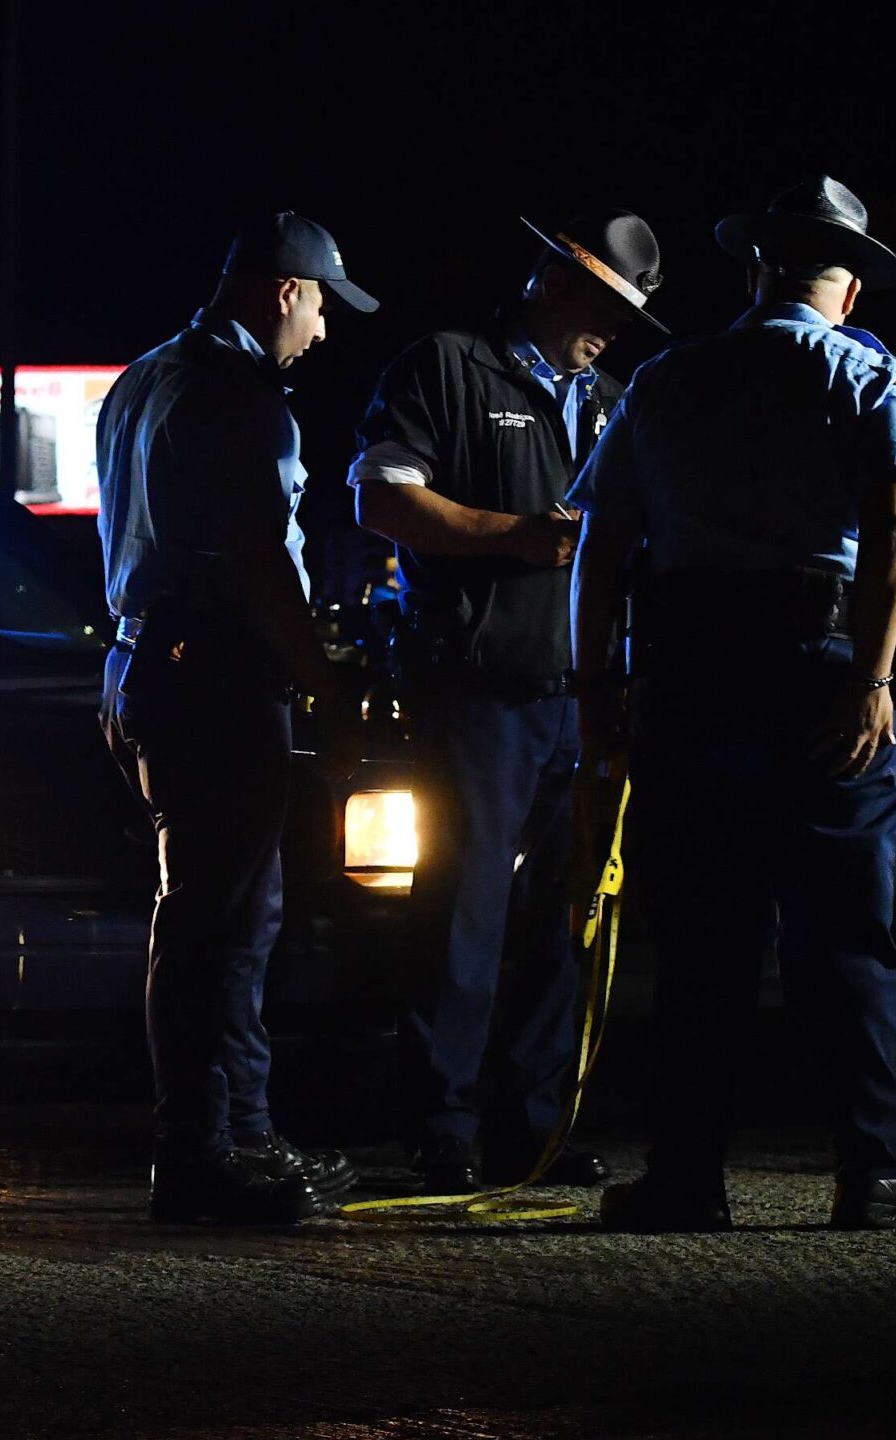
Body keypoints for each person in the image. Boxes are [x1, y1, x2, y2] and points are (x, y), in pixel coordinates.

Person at [567, 176, 896, 1232]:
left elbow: (601, 547)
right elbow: (892, 531)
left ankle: (686, 1177)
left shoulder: (667, 377)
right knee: (845, 938)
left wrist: (596, 686)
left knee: (702, 940)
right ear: (851, 290)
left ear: (754, 271)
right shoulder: (867, 375)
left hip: (691, 677)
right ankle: (871, 1177)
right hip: (822, 664)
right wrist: (873, 680)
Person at [350, 211, 666, 1193]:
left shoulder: (615, 401)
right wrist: (517, 537)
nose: (612, 332)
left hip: (580, 697)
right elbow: (380, 498)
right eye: (605, 306)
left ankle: (528, 1129)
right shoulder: (445, 368)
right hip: (477, 693)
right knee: (464, 911)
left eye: (628, 316)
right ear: (553, 279)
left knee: (557, 921)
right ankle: (440, 1127)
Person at [97, 211, 376, 1224]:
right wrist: (326, 683)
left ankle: (243, 1135)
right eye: (322, 309)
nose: (325, 334)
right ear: (283, 293)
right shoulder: (241, 399)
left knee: (229, 914)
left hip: (148, 662)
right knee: (217, 922)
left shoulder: (143, 380)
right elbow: (258, 560)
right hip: (214, 671)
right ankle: (200, 1156)